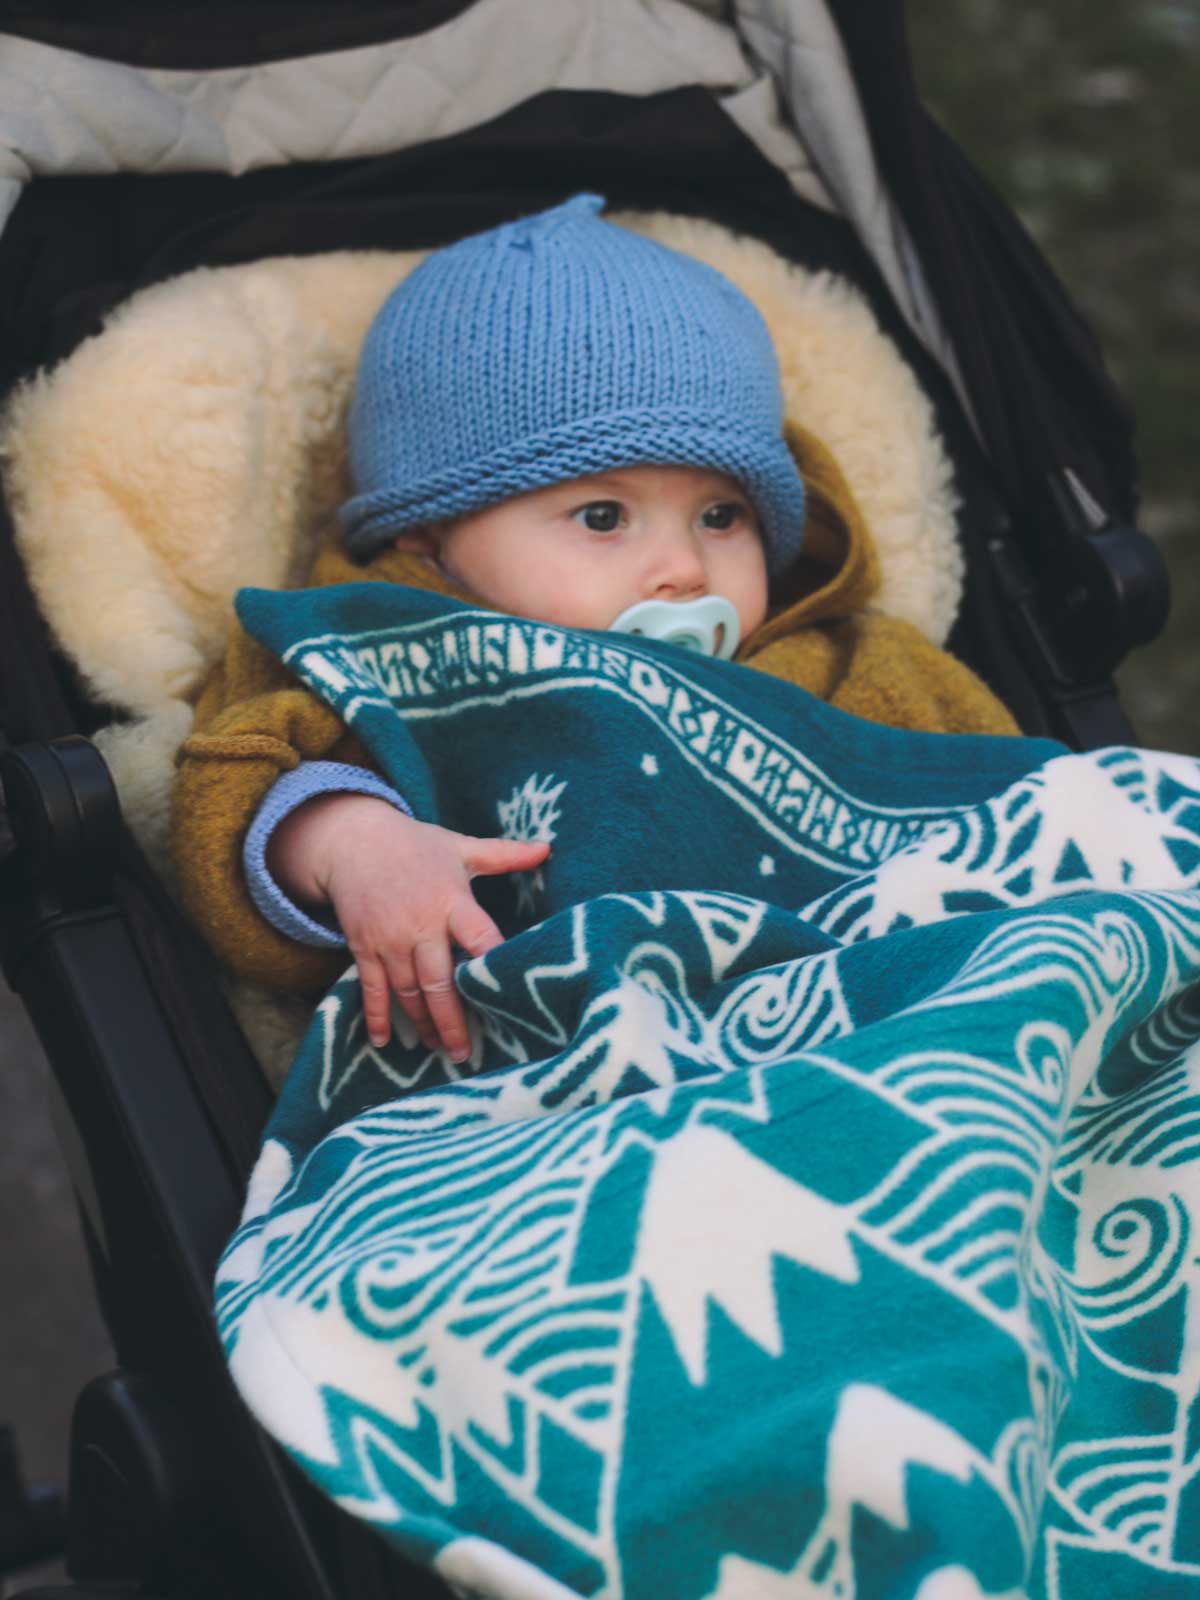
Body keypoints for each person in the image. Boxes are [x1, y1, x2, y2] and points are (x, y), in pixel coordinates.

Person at [172, 193, 1018, 1066]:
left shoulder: (856, 663)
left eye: (722, 515)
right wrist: (353, 844)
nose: (685, 569)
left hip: (903, 1025)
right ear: (429, 533)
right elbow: (233, 787)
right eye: (605, 517)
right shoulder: (378, 657)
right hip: (587, 1079)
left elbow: (1025, 811)